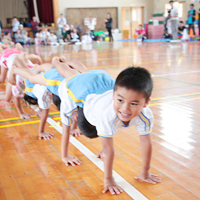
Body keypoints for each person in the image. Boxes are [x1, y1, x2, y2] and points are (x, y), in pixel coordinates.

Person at [50, 58, 162, 195]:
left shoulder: (145, 115)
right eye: (120, 100)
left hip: (102, 83)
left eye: (134, 103)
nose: (125, 109)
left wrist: (145, 172)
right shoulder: (106, 114)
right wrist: (65, 155)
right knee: (70, 74)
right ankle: (57, 61)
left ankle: (68, 61)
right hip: (84, 88)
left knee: (85, 72)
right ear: (114, 95)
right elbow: (107, 148)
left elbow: (146, 141)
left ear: (146, 103)